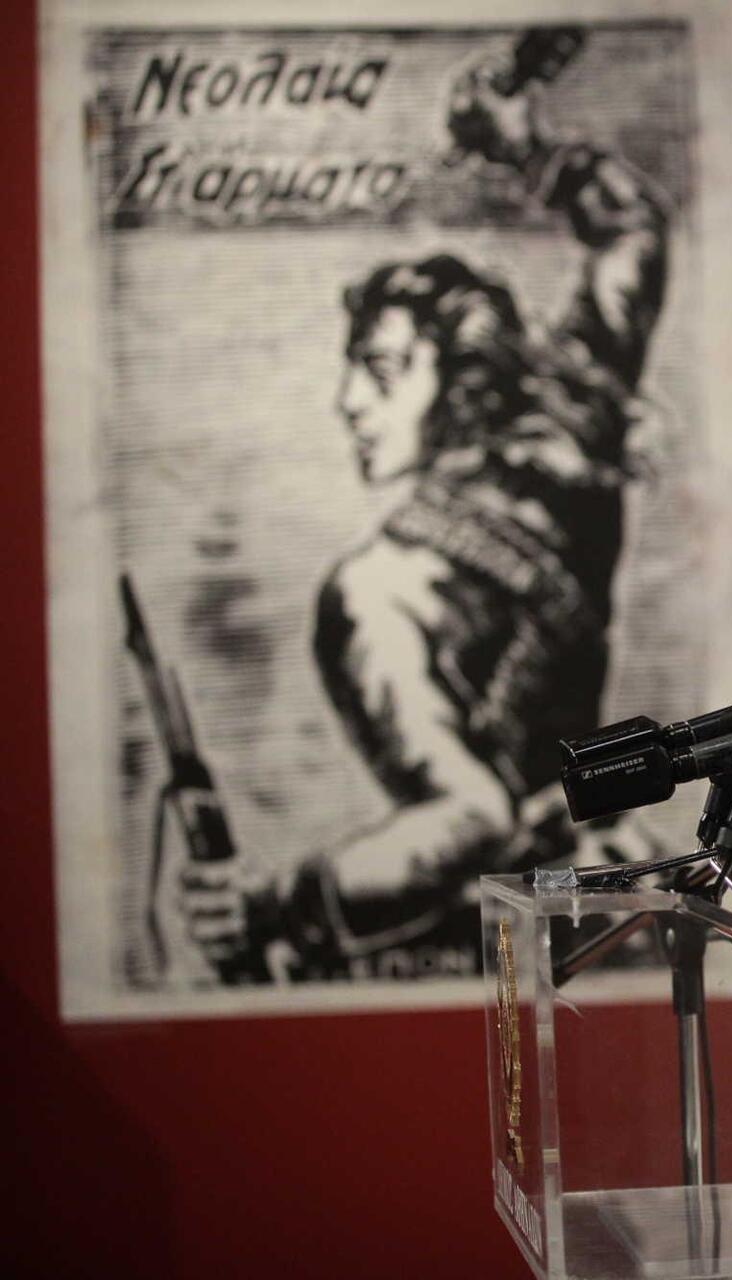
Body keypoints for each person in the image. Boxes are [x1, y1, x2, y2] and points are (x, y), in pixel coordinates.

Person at [172, 40, 669, 981]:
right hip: (612, 907)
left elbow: (469, 819)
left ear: (461, 379)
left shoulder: (377, 590)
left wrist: (272, 904)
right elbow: (632, 228)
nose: (348, 401)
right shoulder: (584, 428)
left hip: (481, 950)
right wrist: (526, 146)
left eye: (382, 369)